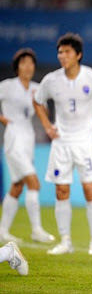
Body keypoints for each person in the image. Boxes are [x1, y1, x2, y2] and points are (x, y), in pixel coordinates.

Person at [33, 33, 92, 255]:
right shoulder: (52, 80)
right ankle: (65, 241)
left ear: (78, 54)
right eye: (60, 52)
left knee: (90, 189)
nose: (62, 56)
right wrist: (47, 126)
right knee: (61, 190)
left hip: (84, 141)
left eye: (67, 52)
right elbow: (37, 100)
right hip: (61, 142)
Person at [0, 48, 55, 244]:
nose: (28, 66)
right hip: (13, 137)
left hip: (28, 137)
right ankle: (37, 230)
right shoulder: (6, 86)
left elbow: (44, 113)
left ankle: (3, 230)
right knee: (34, 183)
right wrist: (3, 119)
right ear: (17, 66)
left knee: (17, 185)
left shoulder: (36, 88)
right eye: (24, 62)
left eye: (31, 63)